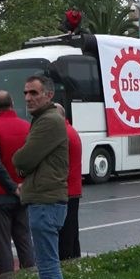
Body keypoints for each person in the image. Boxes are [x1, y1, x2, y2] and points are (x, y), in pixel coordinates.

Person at [12, 75, 74, 279]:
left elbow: (22, 158)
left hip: (46, 202)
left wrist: (22, 165)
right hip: (44, 199)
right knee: (47, 265)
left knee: (49, 267)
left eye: (34, 92)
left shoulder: (49, 122)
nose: (28, 98)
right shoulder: (45, 120)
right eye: (25, 93)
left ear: (48, 95)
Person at [0, 91, 35, 274]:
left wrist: (11, 187)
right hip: (23, 190)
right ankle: (30, 276)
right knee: (24, 238)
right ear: (12, 103)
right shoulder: (26, 127)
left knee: (2, 244)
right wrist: (22, 183)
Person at [55, 103, 83, 260]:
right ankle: (74, 261)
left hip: (66, 190)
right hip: (73, 188)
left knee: (65, 234)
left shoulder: (62, 135)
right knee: (72, 231)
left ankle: (67, 264)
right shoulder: (70, 131)